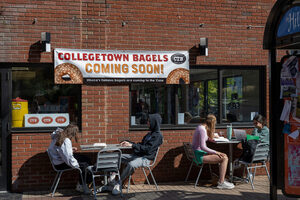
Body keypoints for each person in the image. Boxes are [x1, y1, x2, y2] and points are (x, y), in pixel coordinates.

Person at [108, 113, 163, 195]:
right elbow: (141, 145)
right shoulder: (149, 134)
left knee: (131, 164)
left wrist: (132, 145)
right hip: (137, 155)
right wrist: (128, 143)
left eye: (149, 121)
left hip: (145, 158)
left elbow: (148, 149)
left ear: (154, 122)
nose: (147, 123)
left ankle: (118, 183)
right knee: (117, 156)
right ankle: (112, 176)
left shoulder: (158, 136)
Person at [192, 114, 235, 189]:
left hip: (198, 153)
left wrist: (212, 136)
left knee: (223, 156)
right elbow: (203, 147)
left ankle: (221, 180)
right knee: (224, 158)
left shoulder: (201, 127)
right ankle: (221, 183)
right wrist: (216, 152)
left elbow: (204, 138)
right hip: (199, 155)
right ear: (212, 123)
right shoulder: (202, 130)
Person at [47, 124, 92, 193]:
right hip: (61, 164)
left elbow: (61, 151)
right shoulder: (66, 140)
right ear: (72, 133)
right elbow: (68, 157)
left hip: (58, 161)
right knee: (84, 165)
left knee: (86, 158)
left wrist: (70, 149)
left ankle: (87, 182)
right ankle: (81, 185)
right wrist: (76, 165)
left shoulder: (59, 136)